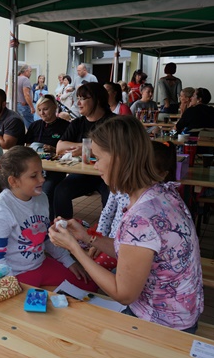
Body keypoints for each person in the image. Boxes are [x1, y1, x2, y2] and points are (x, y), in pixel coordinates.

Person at [49, 115, 203, 333]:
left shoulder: (141, 218)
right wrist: (86, 237)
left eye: (98, 158)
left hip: (162, 325)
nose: (95, 165)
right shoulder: (162, 192)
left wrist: (74, 248)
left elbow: (123, 294)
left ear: (119, 159)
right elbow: (134, 252)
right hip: (180, 313)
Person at [0, 146, 96, 291]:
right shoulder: (0, 210)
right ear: (13, 181)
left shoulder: (41, 198)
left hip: (41, 264)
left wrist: (68, 262)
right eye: (34, 176)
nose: (42, 179)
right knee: (31, 304)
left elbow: (47, 237)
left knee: (90, 286)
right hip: (15, 274)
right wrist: (12, 287)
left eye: (42, 173)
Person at [84, 141, 178, 272]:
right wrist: (98, 239)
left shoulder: (146, 211)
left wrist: (77, 247)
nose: (96, 166)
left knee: (98, 269)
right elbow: (107, 213)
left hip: (129, 249)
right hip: (114, 242)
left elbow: (126, 282)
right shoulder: (120, 187)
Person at [53, 82, 113, 220]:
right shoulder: (77, 123)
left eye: (83, 98)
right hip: (84, 173)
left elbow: (116, 149)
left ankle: (108, 231)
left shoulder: (114, 123)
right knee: (60, 191)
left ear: (98, 100)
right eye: (78, 98)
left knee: (111, 198)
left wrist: (86, 149)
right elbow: (60, 147)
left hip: (108, 174)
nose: (78, 103)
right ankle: (64, 227)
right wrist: (84, 147)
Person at [25, 95, 69, 218]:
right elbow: (27, 145)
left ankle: (47, 220)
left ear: (55, 107)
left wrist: (54, 150)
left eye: (45, 109)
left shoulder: (65, 126)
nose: (42, 113)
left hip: (55, 170)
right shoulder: (35, 126)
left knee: (45, 191)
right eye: (39, 110)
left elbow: (70, 150)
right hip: (35, 168)